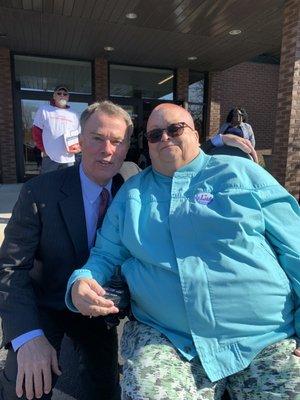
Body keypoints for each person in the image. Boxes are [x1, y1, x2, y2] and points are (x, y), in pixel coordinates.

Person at [67, 103, 300, 400]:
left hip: (264, 337)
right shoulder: (133, 194)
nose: (164, 138)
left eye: (175, 129)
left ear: (196, 134)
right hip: (167, 339)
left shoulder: (243, 174)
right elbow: (106, 255)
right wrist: (81, 281)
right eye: (154, 135)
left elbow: (295, 246)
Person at [0, 101, 141, 400]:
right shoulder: (39, 192)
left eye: (117, 141)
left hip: (98, 309)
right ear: (79, 140)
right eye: (97, 138)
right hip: (46, 302)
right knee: (24, 388)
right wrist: (27, 336)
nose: (107, 150)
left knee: (104, 391)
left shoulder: (133, 187)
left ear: (127, 146)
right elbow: (10, 268)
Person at [32, 85, 81, 174]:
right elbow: (36, 132)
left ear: (68, 97)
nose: (62, 95)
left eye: (65, 94)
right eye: (59, 93)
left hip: (69, 158)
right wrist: (43, 149)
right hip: (50, 157)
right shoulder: (44, 110)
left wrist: (79, 148)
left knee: (67, 184)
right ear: (54, 96)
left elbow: (79, 135)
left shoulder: (74, 114)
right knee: (48, 184)